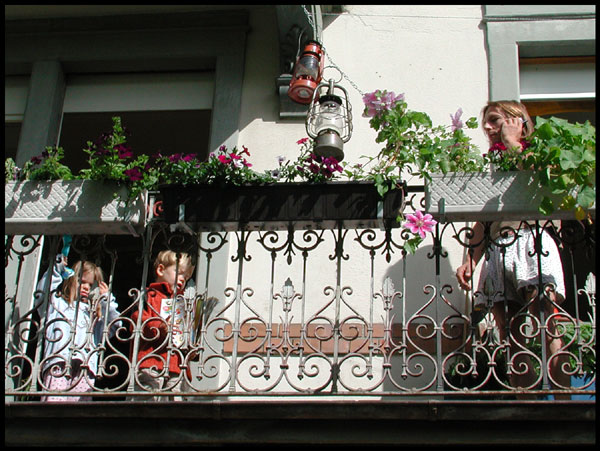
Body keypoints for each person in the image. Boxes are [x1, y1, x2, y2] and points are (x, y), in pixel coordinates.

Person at [455, 100, 570, 399]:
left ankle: (562, 398)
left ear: (515, 120)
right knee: (509, 330)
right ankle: (526, 400)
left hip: (531, 238)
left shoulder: (537, 150)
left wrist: (514, 143)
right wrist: (470, 259)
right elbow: (483, 217)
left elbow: (543, 177)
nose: (489, 129)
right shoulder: (492, 164)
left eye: (495, 120)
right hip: (498, 247)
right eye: (487, 124)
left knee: (546, 318)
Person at [39, 238, 122, 402]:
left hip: (85, 366)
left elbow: (115, 326)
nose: (85, 287)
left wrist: (106, 300)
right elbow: (42, 293)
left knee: (78, 411)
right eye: (81, 282)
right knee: (53, 407)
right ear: (71, 280)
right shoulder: (59, 304)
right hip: (59, 362)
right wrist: (57, 267)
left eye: (90, 285)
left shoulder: (95, 315)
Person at [130, 250, 195, 401]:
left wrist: (192, 344)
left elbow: (187, 331)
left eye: (186, 277)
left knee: (175, 406)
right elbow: (137, 322)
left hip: (178, 366)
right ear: (160, 270)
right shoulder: (148, 295)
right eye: (179, 273)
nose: (182, 279)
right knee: (148, 402)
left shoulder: (183, 302)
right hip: (152, 362)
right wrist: (160, 327)